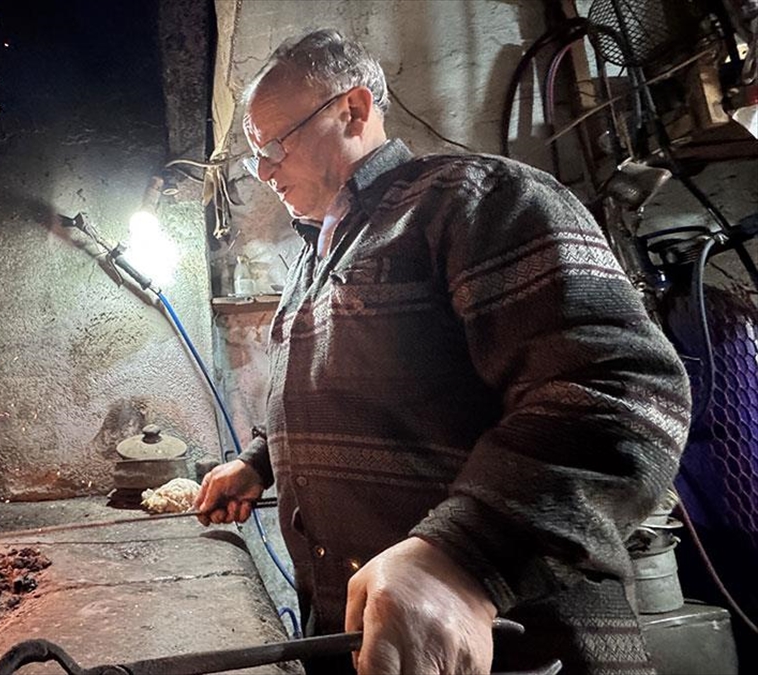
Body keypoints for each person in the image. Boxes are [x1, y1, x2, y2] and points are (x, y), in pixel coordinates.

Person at [194, 29, 691, 675]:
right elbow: (367, 397)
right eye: (256, 154)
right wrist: (260, 461)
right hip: (368, 646)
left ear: (353, 110)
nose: (263, 171)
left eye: (276, 144)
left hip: (519, 648)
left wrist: (463, 556)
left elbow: (620, 388)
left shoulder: (475, 199)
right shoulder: (316, 257)